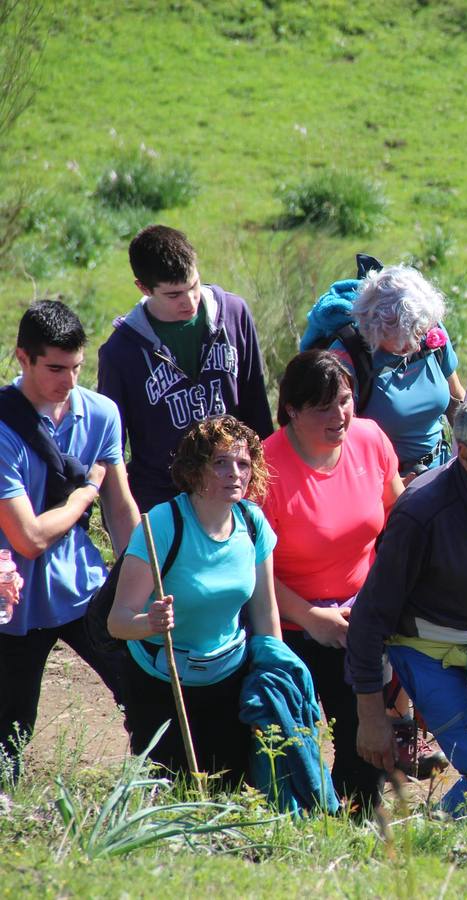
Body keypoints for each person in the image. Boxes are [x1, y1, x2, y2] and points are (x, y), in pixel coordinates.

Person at [349, 396, 467, 818]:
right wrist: (372, 713)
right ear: (464, 455)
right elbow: (370, 616)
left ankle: (440, 831)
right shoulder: (421, 512)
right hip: (431, 651)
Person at [260, 350, 405, 814]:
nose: (339, 415)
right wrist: (310, 616)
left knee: (366, 741)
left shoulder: (370, 440)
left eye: (344, 400)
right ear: (292, 411)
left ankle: (358, 823)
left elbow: (399, 523)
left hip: (362, 616)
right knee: (294, 742)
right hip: (291, 620)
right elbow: (248, 566)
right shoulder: (265, 467)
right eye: (322, 407)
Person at [0, 300, 139, 780]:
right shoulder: (2, 427)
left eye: (78, 367)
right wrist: (85, 495)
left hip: (84, 589)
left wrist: (139, 578)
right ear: (23, 358)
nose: (70, 382)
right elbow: (28, 537)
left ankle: (165, 782)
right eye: (56, 368)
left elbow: (120, 510)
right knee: (10, 731)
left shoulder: (101, 414)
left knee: (140, 689)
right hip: (13, 603)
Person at [108, 416, 282, 783]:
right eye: (220, 462)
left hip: (230, 678)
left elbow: (265, 611)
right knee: (171, 791)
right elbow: (118, 621)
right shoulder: (162, 524)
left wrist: (275, 674)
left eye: (243, 464)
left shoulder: (253, 523)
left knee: (232, 790)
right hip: (163, 680)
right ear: (194, 469)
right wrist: (148, 623)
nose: (234, 473)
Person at [98, 224, 273, 512]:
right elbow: (111, 446)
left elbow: (256, 408)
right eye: (174, 295)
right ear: (143, 287)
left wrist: (260, 488)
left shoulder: (234, 314)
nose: (189, 301)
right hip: (164, 501)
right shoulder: (120, 352)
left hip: (234, 490)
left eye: (193, 285)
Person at [322, 264, 465, 479]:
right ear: (378, 327)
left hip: (442, 471)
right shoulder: (346, 360)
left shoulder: (429, 333)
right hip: (383, 482)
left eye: (420, 333)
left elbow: (457, 400)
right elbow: (340, 445)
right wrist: (395, 486)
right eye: (408, 336)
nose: (418, 344)